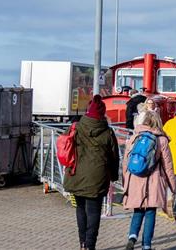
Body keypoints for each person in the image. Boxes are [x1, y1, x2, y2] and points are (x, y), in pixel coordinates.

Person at [64, 96, 119, 250]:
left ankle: (82, 243)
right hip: (97, 177)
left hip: (75, 175)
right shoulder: (107, 132)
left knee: (80, 209)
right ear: (103, 113)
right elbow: (114, 157)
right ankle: (90, 245)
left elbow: (66, 146)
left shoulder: (75, 127)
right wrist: (114, 176)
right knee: (94, 212)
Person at [122, 109, 176, 250]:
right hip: (153, 180)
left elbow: (125, 162)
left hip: (135, 179)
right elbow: (168, 165)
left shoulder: (134, 137)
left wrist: (125, 182)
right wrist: (173, 186)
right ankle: (146, 245)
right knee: (150, 212)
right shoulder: (162, 140)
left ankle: (132, 237)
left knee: (138, 210)